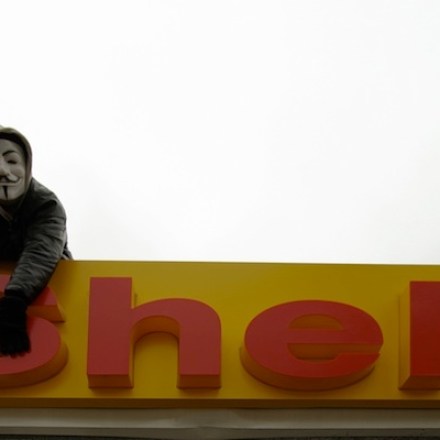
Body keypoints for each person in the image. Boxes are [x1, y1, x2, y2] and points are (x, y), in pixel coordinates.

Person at [0, 126, 71, 356]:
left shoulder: (46, 204)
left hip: (50, 296)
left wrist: (14, 300)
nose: (3, 171)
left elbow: (41, 251)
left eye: (12, 161)